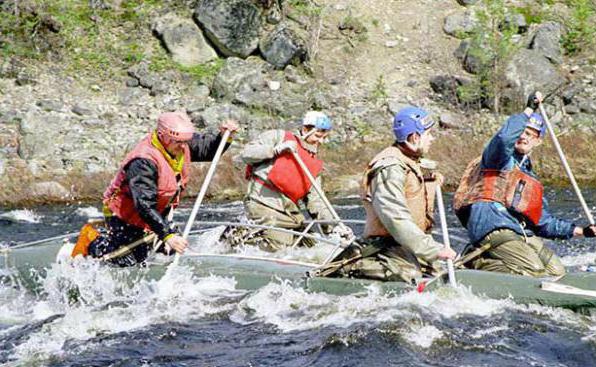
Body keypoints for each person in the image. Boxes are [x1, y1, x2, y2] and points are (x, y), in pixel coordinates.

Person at [452, 92, 596, 277]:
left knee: (556, 272)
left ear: (537, 141)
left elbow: (542, 222)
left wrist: (582, 231)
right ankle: (476, 263)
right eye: (523, 131)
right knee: (534, 271)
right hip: (493, 225)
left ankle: (502, 263)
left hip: (518, 231)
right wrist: (529, 110)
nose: (524, 137)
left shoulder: (530, 177)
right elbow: (504, 138)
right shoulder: (498, 158)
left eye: (530, 134)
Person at [73, 112, 239, 267]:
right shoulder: (143, 161)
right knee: (128, 261)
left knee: (169, 250)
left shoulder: (181, 142)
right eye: (178, 142)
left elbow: (207, 149)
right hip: (125, 213)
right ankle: (90, 243)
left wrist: (225, 137)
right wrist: (167, 234)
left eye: (185, 142)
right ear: (162, 136)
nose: (183, 147)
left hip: (155, 211)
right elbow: (144, 205)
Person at [318, 106, 456, 283]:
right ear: (414, 137)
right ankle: (353, 267)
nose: (432, 138)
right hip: (384, 246)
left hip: (405, 244)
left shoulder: (411, 162)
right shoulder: (390, 167)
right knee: (411, 275)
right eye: (428, 134)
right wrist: (433, 250)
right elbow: (394, 217)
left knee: (445, 272)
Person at [223, 110, 352, 251]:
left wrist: (336, 227)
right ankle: (238, 236)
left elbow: (317, 202)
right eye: (318, 136)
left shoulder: (313, 165)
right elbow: (247, 154)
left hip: (290, 215)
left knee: (313, 246)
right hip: (263, 205)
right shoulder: (278, 137)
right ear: (305, 129)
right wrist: (275, 150)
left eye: (324, 137)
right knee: (279, 248)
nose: (320, 141)